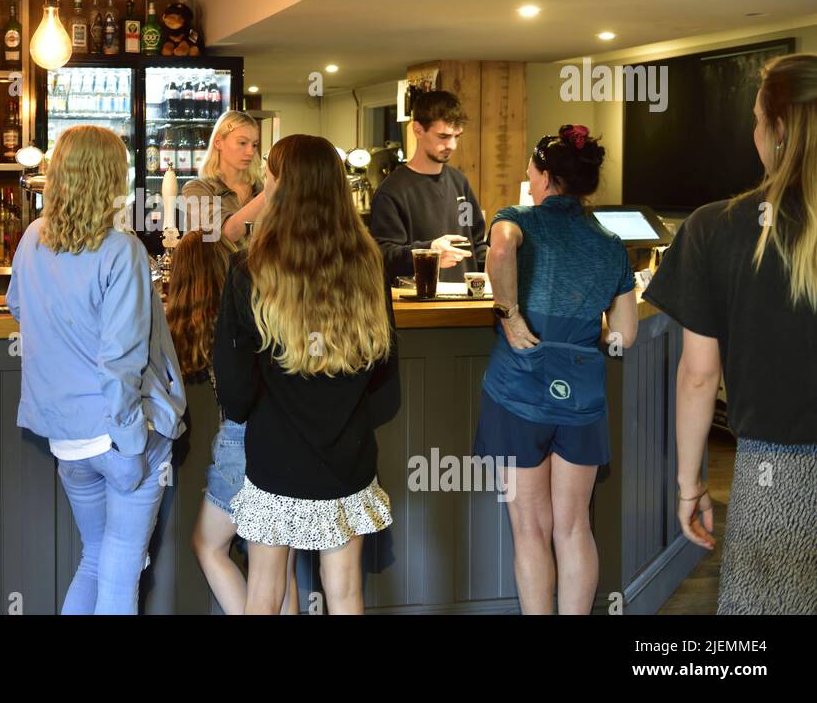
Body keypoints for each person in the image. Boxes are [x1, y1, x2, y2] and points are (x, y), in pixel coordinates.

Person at [644, 53, 817, 615]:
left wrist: (689, 482)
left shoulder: (715, 227)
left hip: (777, 470)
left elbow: (699, 376)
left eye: (754, 119)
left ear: (775, 129)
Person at [214, 134, 398, 615]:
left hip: (276, 456)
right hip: (348, 458)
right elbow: (386, 383)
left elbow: (234, 391)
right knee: (345, 592)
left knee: (265, 592)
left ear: (281, 187)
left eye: (270, 178)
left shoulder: (251, 269)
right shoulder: (367, 264)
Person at [6, 125, 187, 614]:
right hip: (118, 435)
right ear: (110, 178)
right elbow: (121, 358)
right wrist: (131, 442)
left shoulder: (32, 237)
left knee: (96, 558)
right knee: (120, 575)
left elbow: (19, 307)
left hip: (67, 439)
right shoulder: (121, 249)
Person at [475, 124, 637, 615]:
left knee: (530, 528)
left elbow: (500, 248)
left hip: (518, 390)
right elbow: (624, 335)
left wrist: (510, 315)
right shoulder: (610, 243)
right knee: (573, 526)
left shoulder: (518, 219)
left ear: (545, 177)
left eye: (531, 167)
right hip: (581, 397)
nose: (528, 174)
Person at [169, 230, 299, 614]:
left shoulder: (200, 328)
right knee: (283, 566)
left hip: (242, 442)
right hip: (290, 438)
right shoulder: (260, 308)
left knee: (208, 545)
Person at [370, 90, 489, 282]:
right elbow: (382, 255)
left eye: (456, 136)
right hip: (419, 306)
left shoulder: (460, 183)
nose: (452, 145)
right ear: (418, 130)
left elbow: (474, 242)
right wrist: (429, 251)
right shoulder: (392, 191)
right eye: (443, 136)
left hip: (465, 302)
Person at [180, 110, 265, 244]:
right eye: (242, 143)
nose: (250, 152)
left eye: (254, 145)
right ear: (218, 142)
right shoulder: (196, 189)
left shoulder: (259, 189)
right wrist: (271, 192)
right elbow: (225, 234)